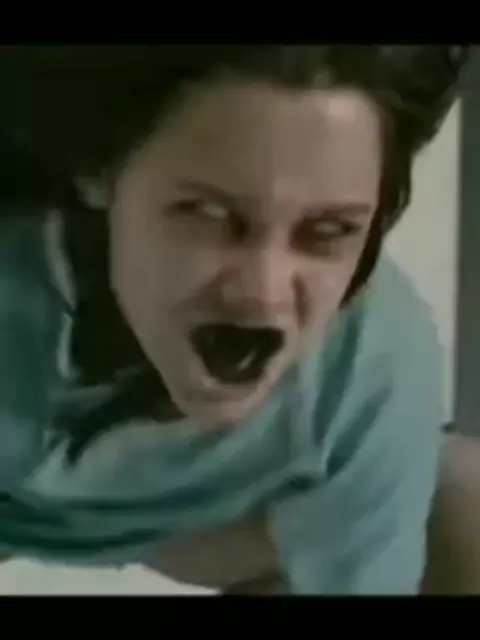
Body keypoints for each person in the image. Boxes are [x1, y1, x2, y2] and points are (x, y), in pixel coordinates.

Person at [0, 45, 468, 594]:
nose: (262, 294)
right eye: (210, 214)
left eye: (327, 232)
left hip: (203, 526)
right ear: (102, 172)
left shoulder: (374, 368)